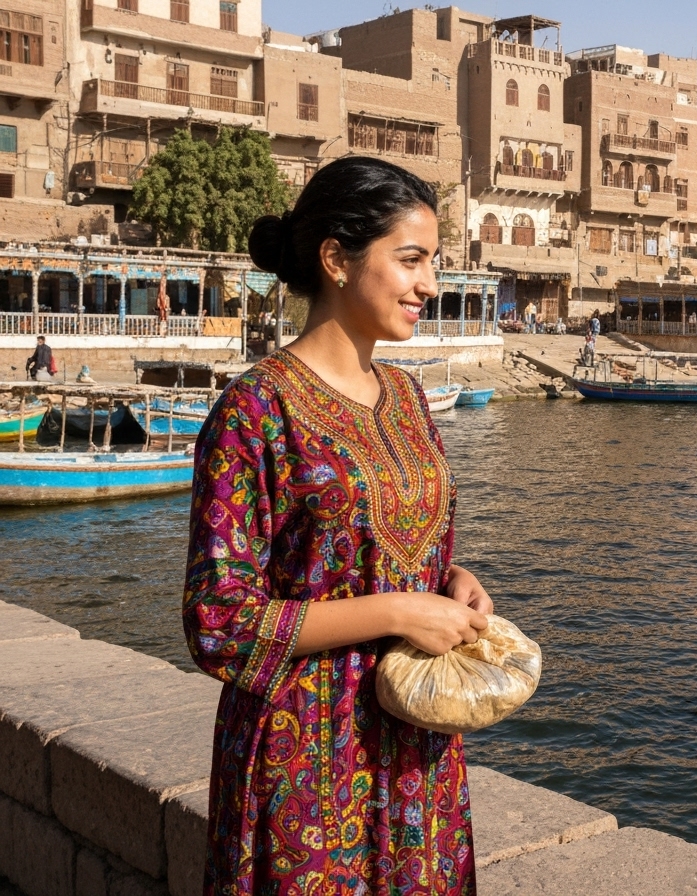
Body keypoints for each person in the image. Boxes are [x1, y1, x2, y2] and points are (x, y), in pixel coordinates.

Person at [183, 157, 493, 896]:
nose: (430, 285)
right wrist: (397, 610)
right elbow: (218, 622)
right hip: (305, 753)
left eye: (434, 263)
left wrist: (452, 581)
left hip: (418, 742)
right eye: (410, 260)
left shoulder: (410, 399)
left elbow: (396, 545)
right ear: (335, 259)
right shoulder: (255, 410)